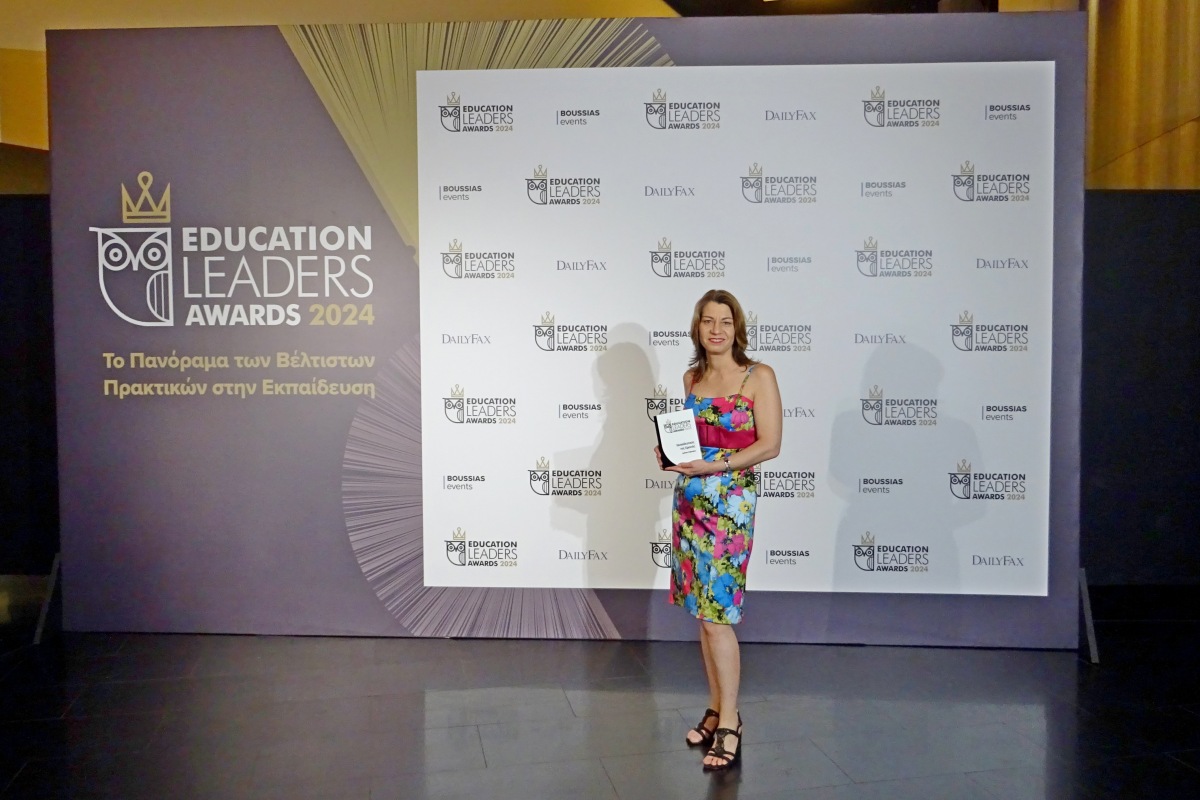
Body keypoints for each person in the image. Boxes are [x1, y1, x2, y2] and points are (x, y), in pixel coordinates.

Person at [657, 288, 782, 771]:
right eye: (708, 321)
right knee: (701, 612)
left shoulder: (758, 376)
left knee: (717, 615)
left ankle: (731, 722)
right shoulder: (691, 378)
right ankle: (715, 707)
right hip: (689, 503)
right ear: (697, 327)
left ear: (737, 328)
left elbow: (770, 444)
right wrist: (670, 454)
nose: (716, 330)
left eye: (725, 322)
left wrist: (716, 465)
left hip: (730, 506)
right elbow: (693, 440)